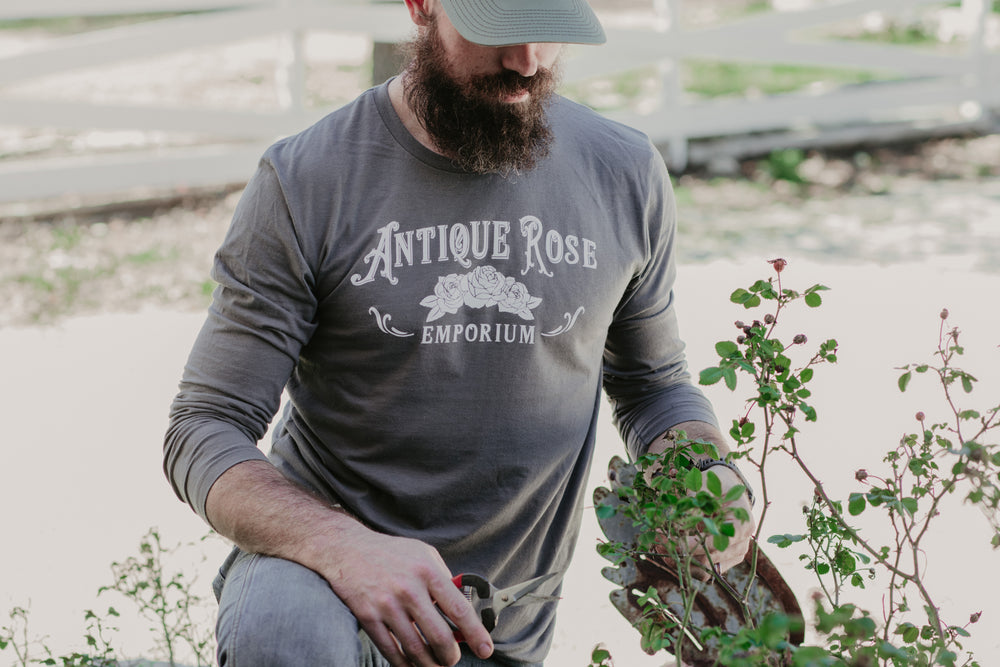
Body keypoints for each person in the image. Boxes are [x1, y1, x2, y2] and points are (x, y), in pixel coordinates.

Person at [163, 1, 755, 665]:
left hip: (501, 626)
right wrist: (341, 546)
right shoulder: (307, 180)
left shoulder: (623, 172)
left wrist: (703, 467)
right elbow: (203, 426)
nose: (528, 61)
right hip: (328, 589)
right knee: (282, 630)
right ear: (422, 6)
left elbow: (652, 385)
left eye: (550, 28)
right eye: (497, 27)